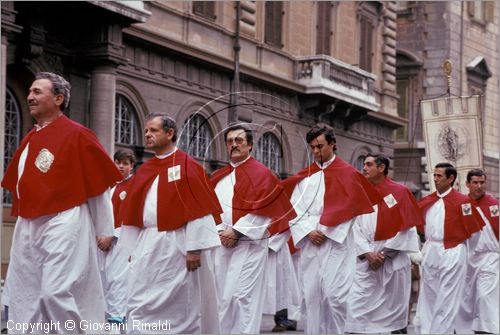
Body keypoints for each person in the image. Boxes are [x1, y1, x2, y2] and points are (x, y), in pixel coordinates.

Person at [1, 72, 122, 331]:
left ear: (58, 98)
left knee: (54, 291)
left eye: (37, 92)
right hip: (30, 225)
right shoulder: (30, 139)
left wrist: (105, 229)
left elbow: (97, 186)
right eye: (30, 91)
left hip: (64, 220)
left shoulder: (79, 135)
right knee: (27, 292)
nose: (30, 97)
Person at [119, 113, 223, 334]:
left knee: (178, 303)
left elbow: (200, 209)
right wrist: (131, 246)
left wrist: (194, 248)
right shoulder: (145, 169)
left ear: (170, 133)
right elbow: (134, 212)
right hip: (148, 243)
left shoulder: (187, 166)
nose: (147, 134)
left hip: (178, 243)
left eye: (153, 130)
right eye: (146, 130)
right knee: (139, 299)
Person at [281, 124, 382, 334]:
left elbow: (352, 210)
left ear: (332, 144)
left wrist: (326, 232)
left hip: (337, 244)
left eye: (320, 146)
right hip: (311, 243)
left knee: (335, 296)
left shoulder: (348, 174)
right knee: (313, 296)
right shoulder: (306, 176)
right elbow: (295, 209)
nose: (316, 152)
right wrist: (308, 231)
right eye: (313, 148)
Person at [210, 123, 296, 334]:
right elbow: (210, 209)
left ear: (249, 145)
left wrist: (237, 231)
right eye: (230, 141)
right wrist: (221, 230)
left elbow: (267, 210)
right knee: (222, 298)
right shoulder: (219, 177)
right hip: (222, 246)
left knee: (243, 296)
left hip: (250, 247)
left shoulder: (263, 174)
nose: (234, 145)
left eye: (239, 141)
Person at [345, 153, 421, 334]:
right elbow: (352, 226)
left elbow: (407, 228)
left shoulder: (400, 192)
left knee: (394, 311)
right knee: (356, 306)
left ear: (381, 168)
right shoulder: (359, 191)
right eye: (364, 164)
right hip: (366, 259)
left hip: (391, 258)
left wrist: (384, 253)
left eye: (369, 164)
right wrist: (367, 252)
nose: (364, 168)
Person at [415, 162, 484, 334]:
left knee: (447, 296)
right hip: (431, 249)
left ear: (451, 178)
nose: (435, 179)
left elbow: (475, 233)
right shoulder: (427, 200)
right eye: (435, 175)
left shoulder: (464, 202)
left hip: (453, 250)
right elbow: (416, 226)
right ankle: (427, 331)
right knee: (429, 294)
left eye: (439, 175)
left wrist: (465, 254)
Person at [455, 169, 499, 334]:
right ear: (467, 184)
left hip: (490, 257)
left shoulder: (494, 203)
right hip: (467, 258)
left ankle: (486, 330)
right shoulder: (463, 204)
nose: (479, 186)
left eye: (482, 182)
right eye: (475, 182)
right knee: (467, 298)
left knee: (485, 296)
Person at [98, 149, 136, 327]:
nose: (120, 166)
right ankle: (107, 321)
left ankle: (116, 323)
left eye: (125, 163)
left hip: (122, 243)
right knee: (103, 282)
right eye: (117, 162)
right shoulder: (108, 185)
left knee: (118, 282)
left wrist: (111, 236)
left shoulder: (134, 185)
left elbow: (130, 216)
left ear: (132, 166)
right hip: (101, 242)